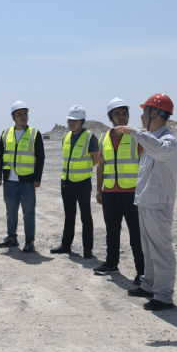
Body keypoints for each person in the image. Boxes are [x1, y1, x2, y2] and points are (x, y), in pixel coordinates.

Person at [114, 94, 177, 311]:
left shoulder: (169, 140)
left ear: (155, 113)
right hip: (146, 202)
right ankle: (149, 285)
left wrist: (135, 132)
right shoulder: (150, 139)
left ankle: (164, 296)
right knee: (148, 249)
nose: (141, 117)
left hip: (159, 205)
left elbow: (161, 150)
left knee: (161, 250)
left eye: (145, 112)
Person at [94, 97, 145, 285]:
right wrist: (99, 189)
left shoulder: (137, 136)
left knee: (136, 234)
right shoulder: (103, 138)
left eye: (124, 113)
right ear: (110, 118)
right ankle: (111, 264)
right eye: (117, 114)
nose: (121, 117)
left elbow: (145, 165)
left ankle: (142, 272)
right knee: (112, 231)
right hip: (110, 193)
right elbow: (101, 165)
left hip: (132, 193)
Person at [0, 100, 45, 253]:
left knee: (28, 212)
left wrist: (37, 178)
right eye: (19, 114)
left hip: (27, 180)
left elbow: (40, 157)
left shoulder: (35, 134)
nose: (23, 116)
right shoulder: (6, 133)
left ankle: (29, 241)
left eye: (25, 114)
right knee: (11, 212)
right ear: (13, 117)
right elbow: (0, 154)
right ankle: (12, 237)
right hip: (9, 180)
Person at [51, 105, 100, 258]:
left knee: (86, 216)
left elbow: (96, 159)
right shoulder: (65, 137)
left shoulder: (90, 137)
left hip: (83, 183)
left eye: (75, 120)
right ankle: (66, 245)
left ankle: (87, 249)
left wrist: (82, 170)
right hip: (66, 183)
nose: (71, 123)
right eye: (70, 120)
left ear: (82, 121)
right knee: (69, 215)